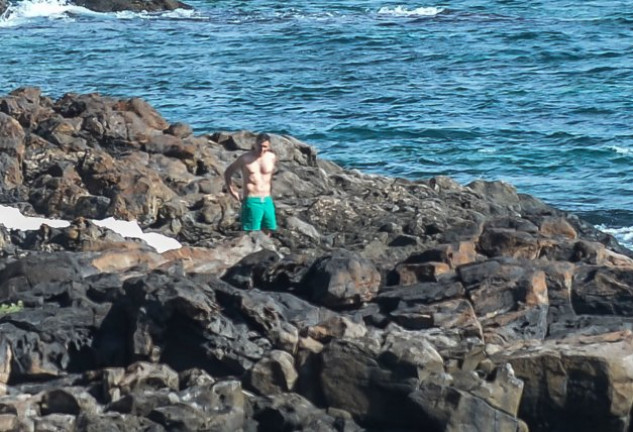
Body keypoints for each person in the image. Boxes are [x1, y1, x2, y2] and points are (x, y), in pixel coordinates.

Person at [224, 133, 278, 232]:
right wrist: (232, 191)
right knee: (251, 230)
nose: (262, 149)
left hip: (267, 199)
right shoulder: (245, 159)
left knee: (270, 228)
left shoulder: (272, 157)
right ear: (255, 144)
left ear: (269, 146)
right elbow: (228, 172)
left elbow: (269, 177)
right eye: (260, 146)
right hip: (252, 199)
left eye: (265, 146)